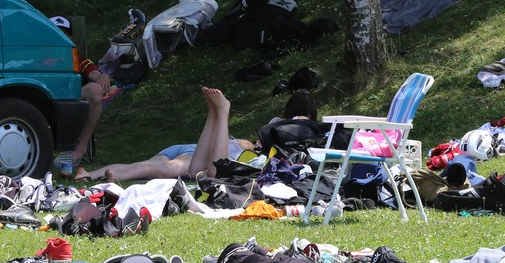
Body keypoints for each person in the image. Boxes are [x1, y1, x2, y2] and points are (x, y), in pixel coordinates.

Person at [74, 88, 323, 183]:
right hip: (205, 152)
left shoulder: (272, 126)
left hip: (193, 147)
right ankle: (109, 175)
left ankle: (91, 174)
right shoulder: (295, 128)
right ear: (310, 115)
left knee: (149, 164)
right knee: (153, 168)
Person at [50, 15, 113, 170]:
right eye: (56, 32)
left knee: (95, 89)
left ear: (70, 38)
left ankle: (79, 150)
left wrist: (102, 76)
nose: (61, 37)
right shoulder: (34, 56)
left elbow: (94, 73)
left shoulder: (76, 58)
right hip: (41, 101)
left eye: (64, 33)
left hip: (68, 101)